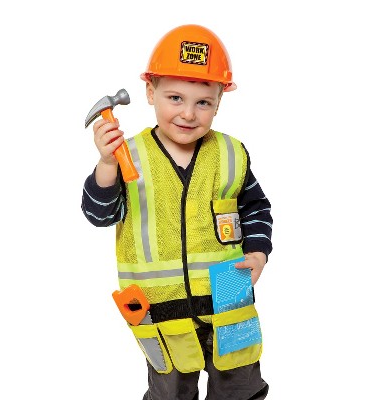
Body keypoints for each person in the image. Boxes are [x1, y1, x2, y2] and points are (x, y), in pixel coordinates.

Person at [82, 24, 273, 400]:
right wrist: (106, 165)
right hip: (161, 306)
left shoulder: (231, 154)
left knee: (240, 388)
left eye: (203, 102)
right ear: (150, 92)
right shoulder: (129, 156)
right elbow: (99, 214)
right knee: (171, 393)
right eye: (175, 98)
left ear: (219, 101)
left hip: (229, 293)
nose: (188, 113)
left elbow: (255, 207)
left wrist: (258, 252)